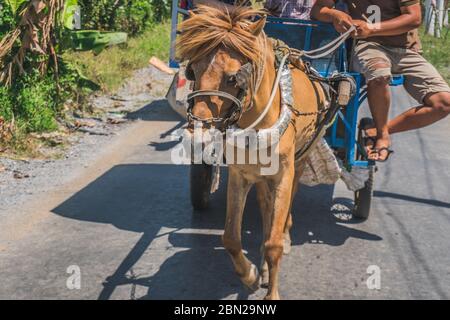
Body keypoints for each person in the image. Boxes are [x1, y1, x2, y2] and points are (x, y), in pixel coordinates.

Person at [312, 0, 450, 161]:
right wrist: (335, 14)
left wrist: (372, 28)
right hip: (367, 46)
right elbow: (318, 9)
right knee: (379, 76)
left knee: (444, 103)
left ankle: (376, 130)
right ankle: (382, 136)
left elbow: (414, 18)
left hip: (405, 50)